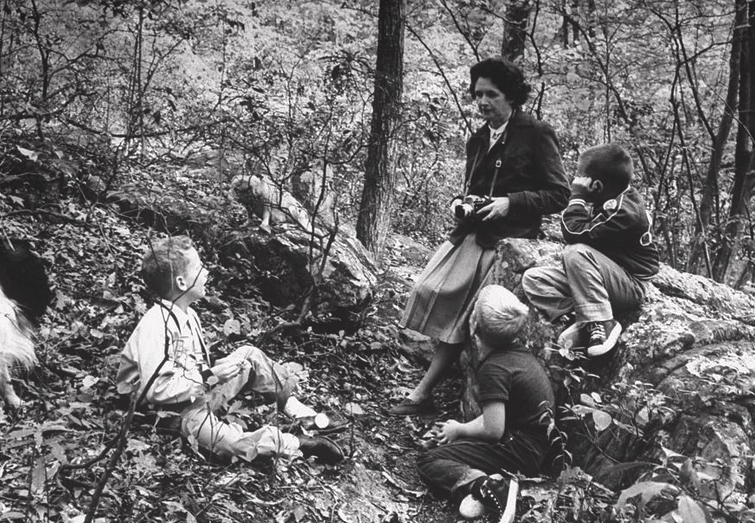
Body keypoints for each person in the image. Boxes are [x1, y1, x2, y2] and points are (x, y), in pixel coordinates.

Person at [390, 56, 570, 416]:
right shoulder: (478, 139)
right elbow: (474, 186)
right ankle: (438, 383)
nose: (484, 102)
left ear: (512, 96)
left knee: (468, 316)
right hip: (472, 234)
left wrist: (510, 203)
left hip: (510, 242)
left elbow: (560, 195)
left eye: (492, 94)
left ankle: (425, 393)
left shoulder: (536, 134)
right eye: (478, 95)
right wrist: (462, 202)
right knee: (428, 291)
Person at [115, 235, 344, 464]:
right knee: (230, 443)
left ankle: (302, 415)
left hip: (197, 393)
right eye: (199, 267)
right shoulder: (155, 324)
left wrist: (220, 373)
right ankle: (296, 444)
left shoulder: (189, 315)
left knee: (249, 355)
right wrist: (209, 376)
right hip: (171, 414)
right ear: (182, 283)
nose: (206, 271)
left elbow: (194, 367)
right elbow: (157, 390)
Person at [416, 285, 557, 523]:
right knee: (446, 449)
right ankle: (488, 480)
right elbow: (502, 416)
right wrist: (458, 435)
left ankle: (489, 488)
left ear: (474, 325)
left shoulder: (494, 369)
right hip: (531, 443)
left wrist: (459, 429)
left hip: (520, 450)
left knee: (429, 460)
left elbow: (493, 429)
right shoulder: (518, 355)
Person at [521, 143, 660, 356]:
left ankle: (602, 322)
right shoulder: (608, 198)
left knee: (575, 252)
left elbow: (574, 233)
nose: (576, 181)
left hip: (629, 284)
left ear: (596, 186)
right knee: (534, 279)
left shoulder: (625, 212)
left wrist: (577, 197)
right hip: (602, 278)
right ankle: (585, 320)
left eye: (580, 177)